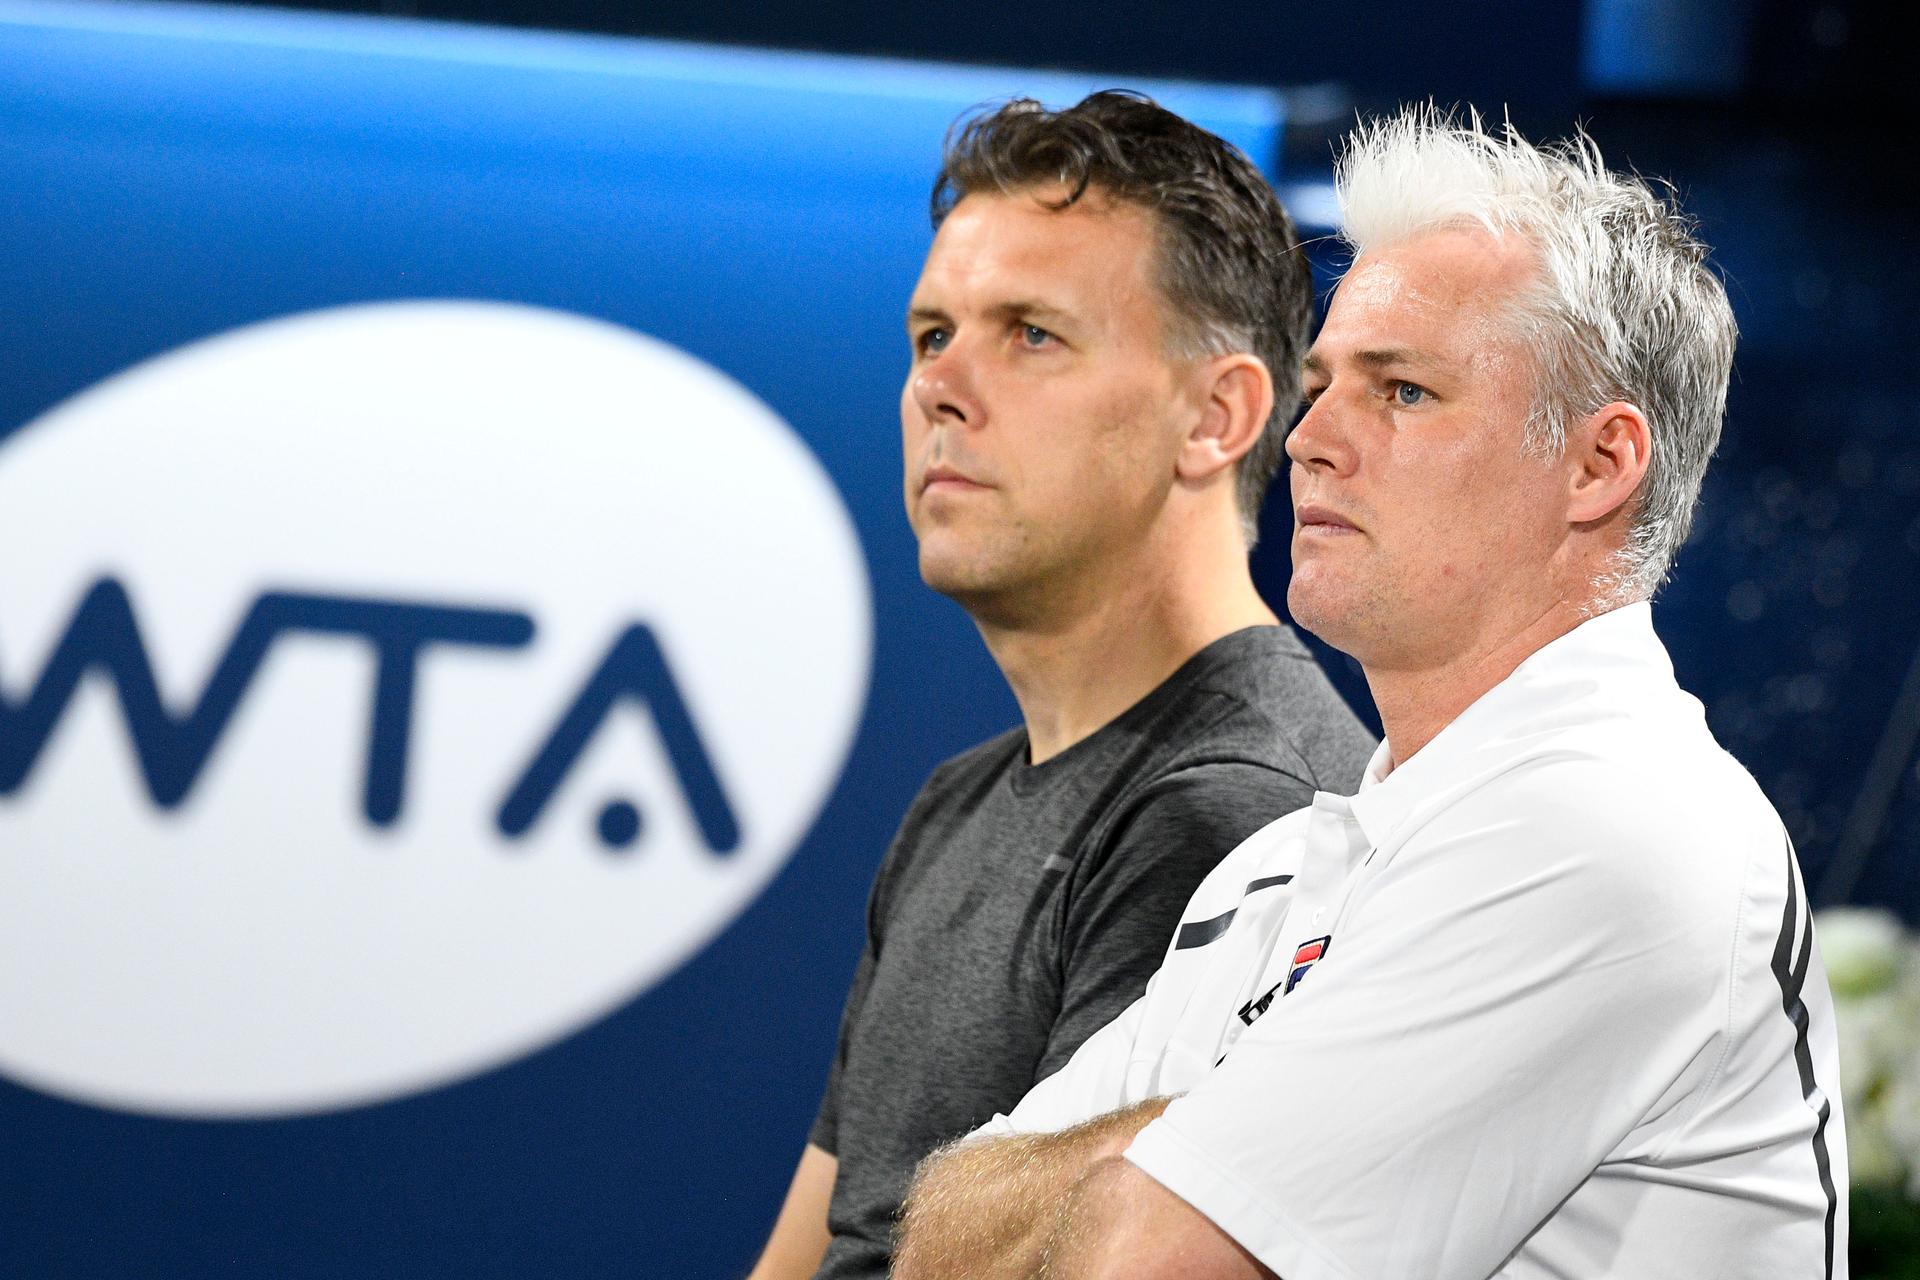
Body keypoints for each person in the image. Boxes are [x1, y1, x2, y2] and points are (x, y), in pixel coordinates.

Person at [893, 107, 1850, 1280]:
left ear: (1599, 466)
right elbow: (934, 1238)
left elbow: (1140, 1261)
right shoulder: (1280, 865)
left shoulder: (1611, 823)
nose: (1311, 438)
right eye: (1324, 382)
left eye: (1401, 391)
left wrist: (1164, 1158)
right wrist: (1233, 1118)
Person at [747, 92, 1376, 1280]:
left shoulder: (1240, 813)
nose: (944, 385)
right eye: (932, 335)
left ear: (1220, 414)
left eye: (1031, 333)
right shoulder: (960, 801)